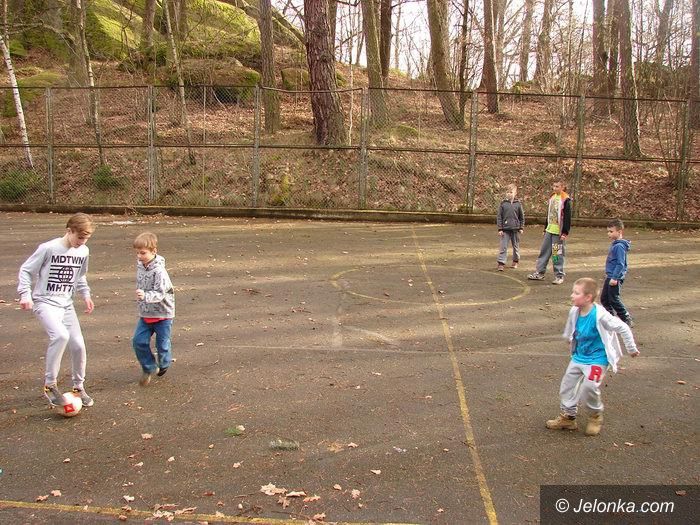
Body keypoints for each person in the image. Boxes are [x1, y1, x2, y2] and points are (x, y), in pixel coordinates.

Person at [17, 213, 96, 408]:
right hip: (45, 302)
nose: (82, 242)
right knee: (60, 336)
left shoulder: (83, 251)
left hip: (66, 304)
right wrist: (25, 295)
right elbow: (26, 270)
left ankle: (78, 387)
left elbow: (80, 276)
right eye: (79, 237)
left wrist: (86, 295)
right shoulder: (49, 248)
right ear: (69, 230)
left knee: (78, 345)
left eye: (86, 239)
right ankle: (50, 385)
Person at [546, 278, 639, 436]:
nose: (572, 295)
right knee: (567, 387)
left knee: (589, 387)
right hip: (579, 357)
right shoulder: (574, 310)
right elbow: (571, 325)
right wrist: (569, 337)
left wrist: (631, 348)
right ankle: (568, 417)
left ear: (588, 297)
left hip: (597, 359)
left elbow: (623, 327)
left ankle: (595, 415)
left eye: (576, 293)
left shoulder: (601, 315)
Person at [132, 232, 175, 386]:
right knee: (138, 341)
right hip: (146, 313)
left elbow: (161, 293)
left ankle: (164, 363)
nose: (139, 256)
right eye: (137, 253)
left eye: (143, 253)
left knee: (162, 345)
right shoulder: (141, 267)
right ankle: (149, 367)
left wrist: (145, 296)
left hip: (163, 314)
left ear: (153, 251)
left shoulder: (160, 271)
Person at [527, 180, 572, 285]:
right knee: (544, 252)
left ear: (562, 187)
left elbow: (567, 218)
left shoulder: (565, 200)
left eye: (557, 186)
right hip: (549, 230)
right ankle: (540, 272)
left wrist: (564, 232)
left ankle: (559, 275)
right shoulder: (552, 197)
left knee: (556, 254)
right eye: (554, 186)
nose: (554, 188)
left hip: (557, 233)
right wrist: (545, 228)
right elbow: (549, 214)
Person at [601, 218, 633, 327]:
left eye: (611, 231)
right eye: (608, 231)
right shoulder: (615, 244)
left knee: (613, 299)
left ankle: (626, 317)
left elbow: (620, 264)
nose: (608, 234)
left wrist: (615, 278)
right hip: (610, 275)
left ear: (619, 232)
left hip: (615, 277)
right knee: (604, 299)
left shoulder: (619, 246)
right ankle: (609, 318)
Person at [496, 183, 525, 271]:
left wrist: (521, 227)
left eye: (511, 192)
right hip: (505, 229)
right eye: (508, 192)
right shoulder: (503, 204)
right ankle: (501, 262)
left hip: (515, 229)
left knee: (515, 246)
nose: (509, 194)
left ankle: (515, 261)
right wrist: (500, 228)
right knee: (503, 246)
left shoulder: (518, 204)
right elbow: (499, 217)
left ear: (515, 193)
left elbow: (521, 217)